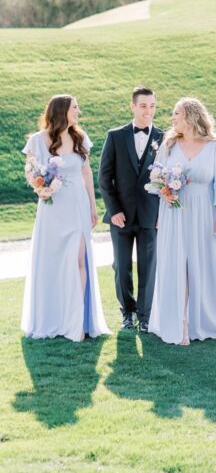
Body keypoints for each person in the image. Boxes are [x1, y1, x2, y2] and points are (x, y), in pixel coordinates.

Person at [149, 97, 216, 346]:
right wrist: (164, 193)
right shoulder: (168, 145)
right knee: (176, 263)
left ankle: (205, 320)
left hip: (204, 212)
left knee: (202, 263)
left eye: (176, 113)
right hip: (173, 212)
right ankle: (180, 321)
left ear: (190, 115)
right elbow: (156, 179)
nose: (172, 118)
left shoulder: (215, 147)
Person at [21, 95, 109, 341]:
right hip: (52, 207)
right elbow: (31, 172)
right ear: (61, 111)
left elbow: (87, 173)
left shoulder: (80, 137)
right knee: (54, 261)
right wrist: (42, 188)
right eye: (75, 108)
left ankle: (77, 322)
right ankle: (53, 317)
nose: (78, 111)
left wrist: (92, 205)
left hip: (77, 203)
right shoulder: (37, 140)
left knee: (78, 259)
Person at [99, 86, 163, 332]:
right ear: (133, 106)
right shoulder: (115, 136)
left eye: (152, 106)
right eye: (144, 106)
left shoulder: (163, 137)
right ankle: (128, 311)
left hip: (150, 216)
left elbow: (169, 177)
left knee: (148, 267)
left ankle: (145, 316)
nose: (149, 111)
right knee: (121, 265)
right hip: (121, 216)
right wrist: (113, 209)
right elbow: (105, 177)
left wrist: (161, 213)